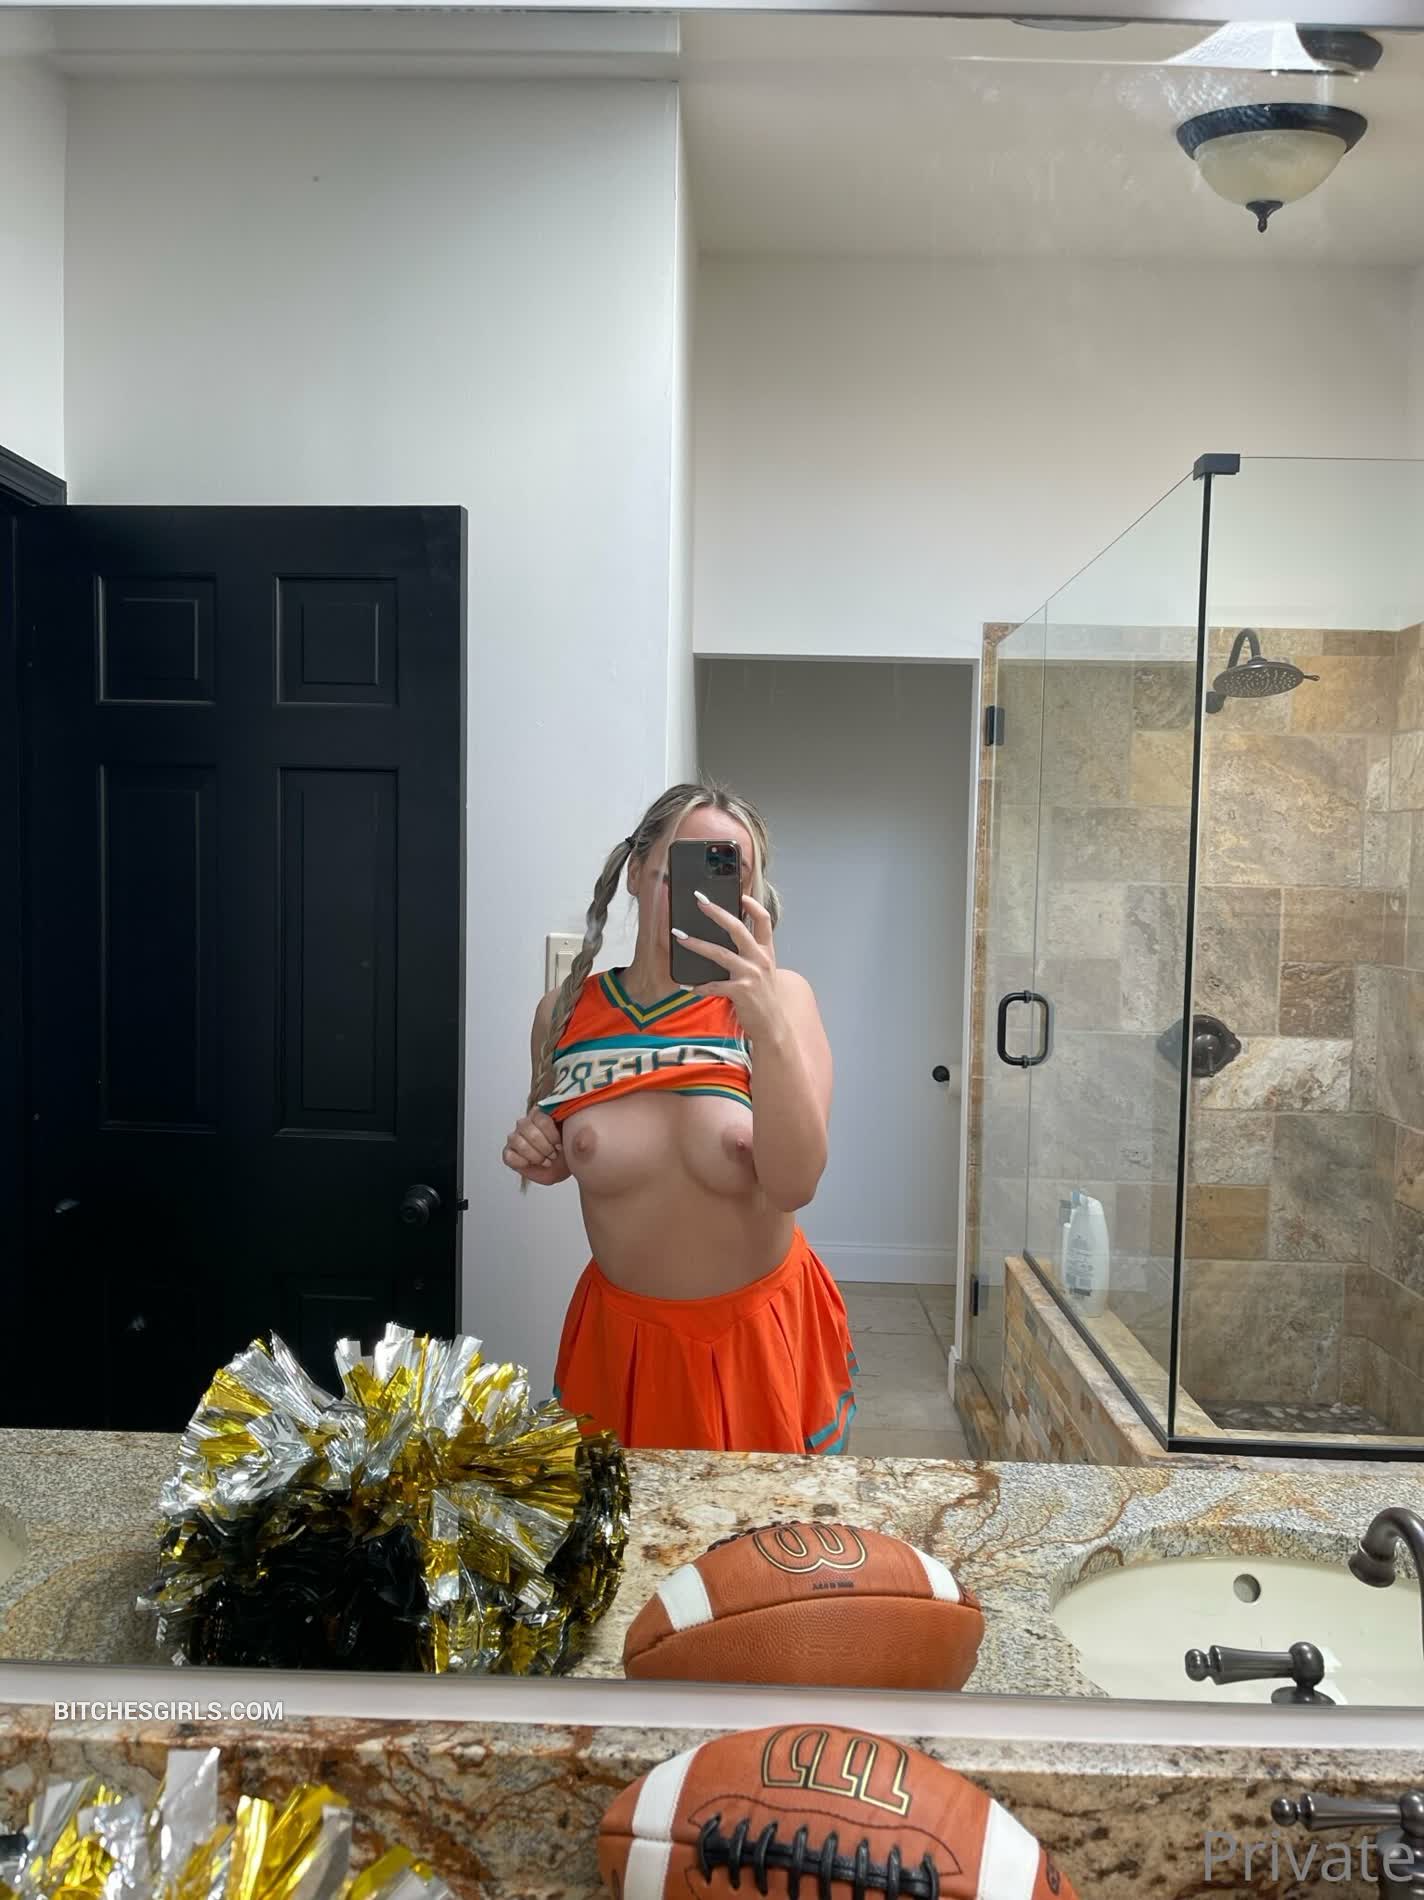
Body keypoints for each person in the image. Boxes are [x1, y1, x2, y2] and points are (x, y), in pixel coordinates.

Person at [500, 780, 856, 1454]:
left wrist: (767, 1023)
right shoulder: (564, 1014)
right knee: (628, 1520)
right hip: (623, 1343)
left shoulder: (781, 1001)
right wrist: (544, 1153)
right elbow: (565, 1147)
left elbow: (795, 1184)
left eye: (727, 875)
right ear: (637, 873)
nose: (703, 897)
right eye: (686, 869)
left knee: (760, 1522)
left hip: (756, 1338)